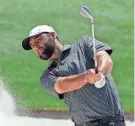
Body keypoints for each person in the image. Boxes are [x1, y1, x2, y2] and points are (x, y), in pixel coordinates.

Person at [22, 25, 125, 126]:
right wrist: (86, 77)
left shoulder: (84, 44)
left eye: (38, 40)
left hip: (111, 122)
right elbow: (61, 86)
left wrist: (100, 73)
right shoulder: (47, 76)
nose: (35, 46)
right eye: (32, 45)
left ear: (53, 35)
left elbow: (105, 59)